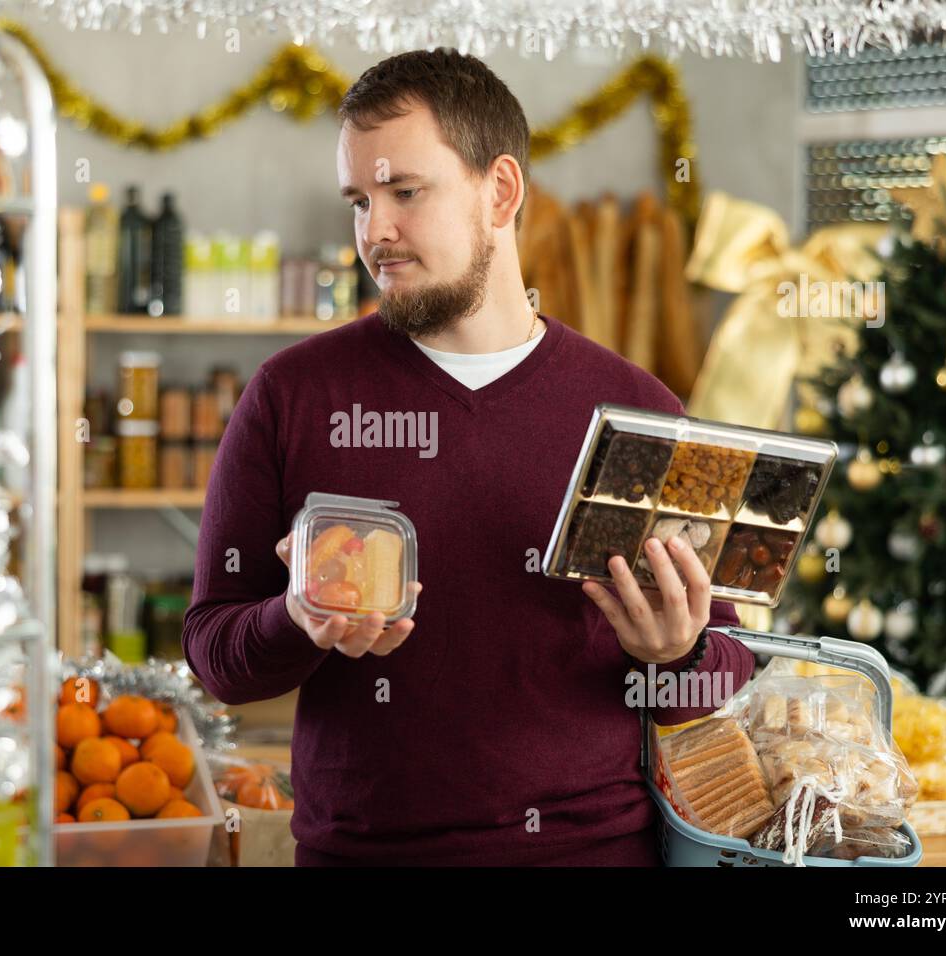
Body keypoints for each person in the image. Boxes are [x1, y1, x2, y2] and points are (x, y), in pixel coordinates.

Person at [182, 48, 755, 866]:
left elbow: (725, 674)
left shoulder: (640, 412)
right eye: (359, 200)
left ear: (502, 192)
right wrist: (296, 621)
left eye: (405, 192)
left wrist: (678, 653)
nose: (373, 231)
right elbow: (216, 653)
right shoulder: (290, 395)